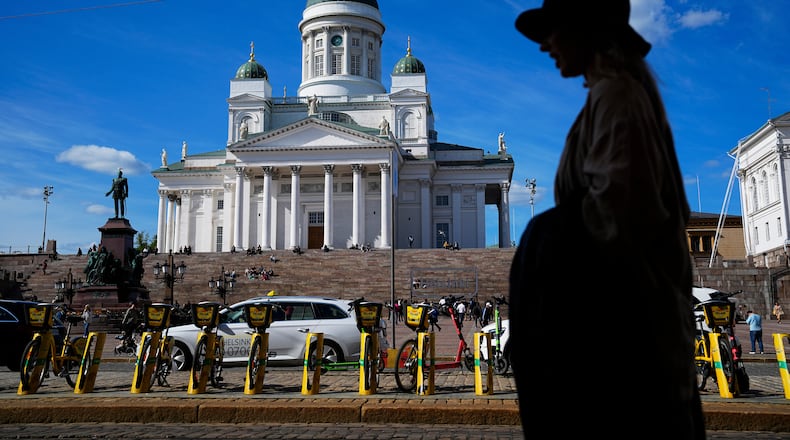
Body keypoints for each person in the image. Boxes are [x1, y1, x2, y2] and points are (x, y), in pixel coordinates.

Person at [508, 1, 704, 437]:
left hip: (620, 345)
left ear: (584, 30)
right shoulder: (614, 94)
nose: (545, 46)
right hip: (630, 336)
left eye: (554, 30)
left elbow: (617, 217)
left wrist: (543, 239)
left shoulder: (616, 96)